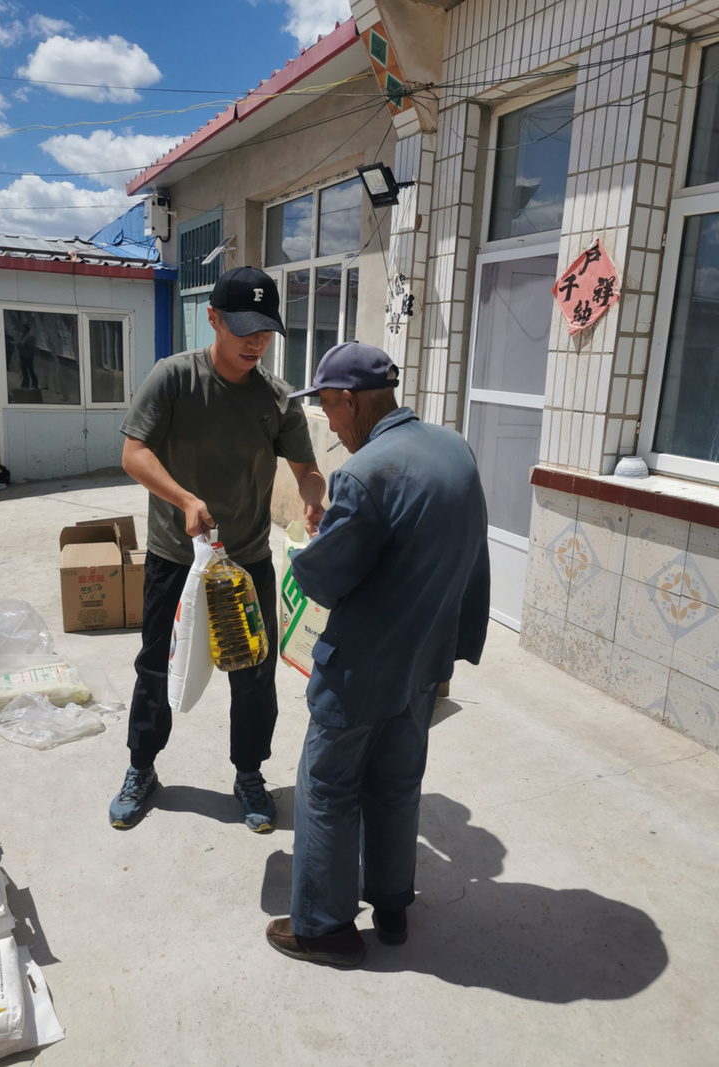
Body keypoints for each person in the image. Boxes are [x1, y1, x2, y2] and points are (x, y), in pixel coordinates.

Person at [265, 341, 490, 967]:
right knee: (395, 785)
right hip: (424, 662)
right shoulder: (454, 449)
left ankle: (325, 927)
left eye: (330, 411)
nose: (331, 426)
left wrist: (312, 544)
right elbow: (464, 553)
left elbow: (323, 580)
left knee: (328, 788)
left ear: (350, 399)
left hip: (362, 668)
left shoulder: (364, 474)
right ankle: (392, 905)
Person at [109, 266, 326, 832]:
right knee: (157, 667)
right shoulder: (174, 378)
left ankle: (249, 773)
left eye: (265, 331)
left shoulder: (276, 398)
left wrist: (312, 495)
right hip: (176, 562)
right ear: (214, 319)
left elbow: (306, 467)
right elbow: (134, 454)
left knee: (253, 673)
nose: (256, 342)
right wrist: (183, 498)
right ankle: (141, 767)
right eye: (244, 328)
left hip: (247, 562)